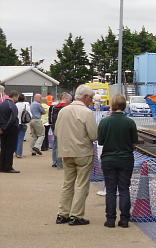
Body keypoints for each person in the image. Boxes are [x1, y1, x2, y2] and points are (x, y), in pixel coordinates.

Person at [55, 85, 98, 226]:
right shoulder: (86, 113)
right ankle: (76, 215)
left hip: (66, 152)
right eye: (91, 98)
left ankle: (62, 214)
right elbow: (93, 135)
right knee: (81, 184)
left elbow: (56, 132)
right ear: (85, 97)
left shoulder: (63, 111)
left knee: (67, 184)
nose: (91, 101)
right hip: (83, 152)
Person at [97, 94, 138, 228]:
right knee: (124, 189)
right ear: (124, 105)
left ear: (112, 105)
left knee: (110, 190)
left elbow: (101, 141)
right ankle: (124, 219)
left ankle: (110, 220)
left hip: (108, 159)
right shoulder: (130, 122)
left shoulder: (104, 122)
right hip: (126, 159)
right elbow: (134, 142)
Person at [49, 92, 72, 168]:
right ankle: (60, 163)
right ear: (65, 98)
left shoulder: (53, 107)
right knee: (62, 145)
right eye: (69, 99)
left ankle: (55, 161)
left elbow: (51, 119)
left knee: (55, 145)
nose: (71, 100)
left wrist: (52, 127)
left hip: (55, 127)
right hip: (64, 128)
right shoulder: (67, 107)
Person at [0, 91, 21, 173]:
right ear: (15, 96)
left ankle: (2, 166)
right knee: (10, 148)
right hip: (10, 129)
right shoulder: (12, 105)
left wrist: (1, 128)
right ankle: (8, 167)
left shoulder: (2, 104)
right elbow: (12, 119)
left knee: (3, 148)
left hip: (2, 129)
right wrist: (5, 127)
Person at [15, 93, 32, 158]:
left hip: (16, 123)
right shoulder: (27, 105)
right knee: (20, 138)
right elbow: (30, 115)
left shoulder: (15, 105)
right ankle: (19, 153)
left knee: (16, 138)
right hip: (23, 123)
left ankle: (16, 151)